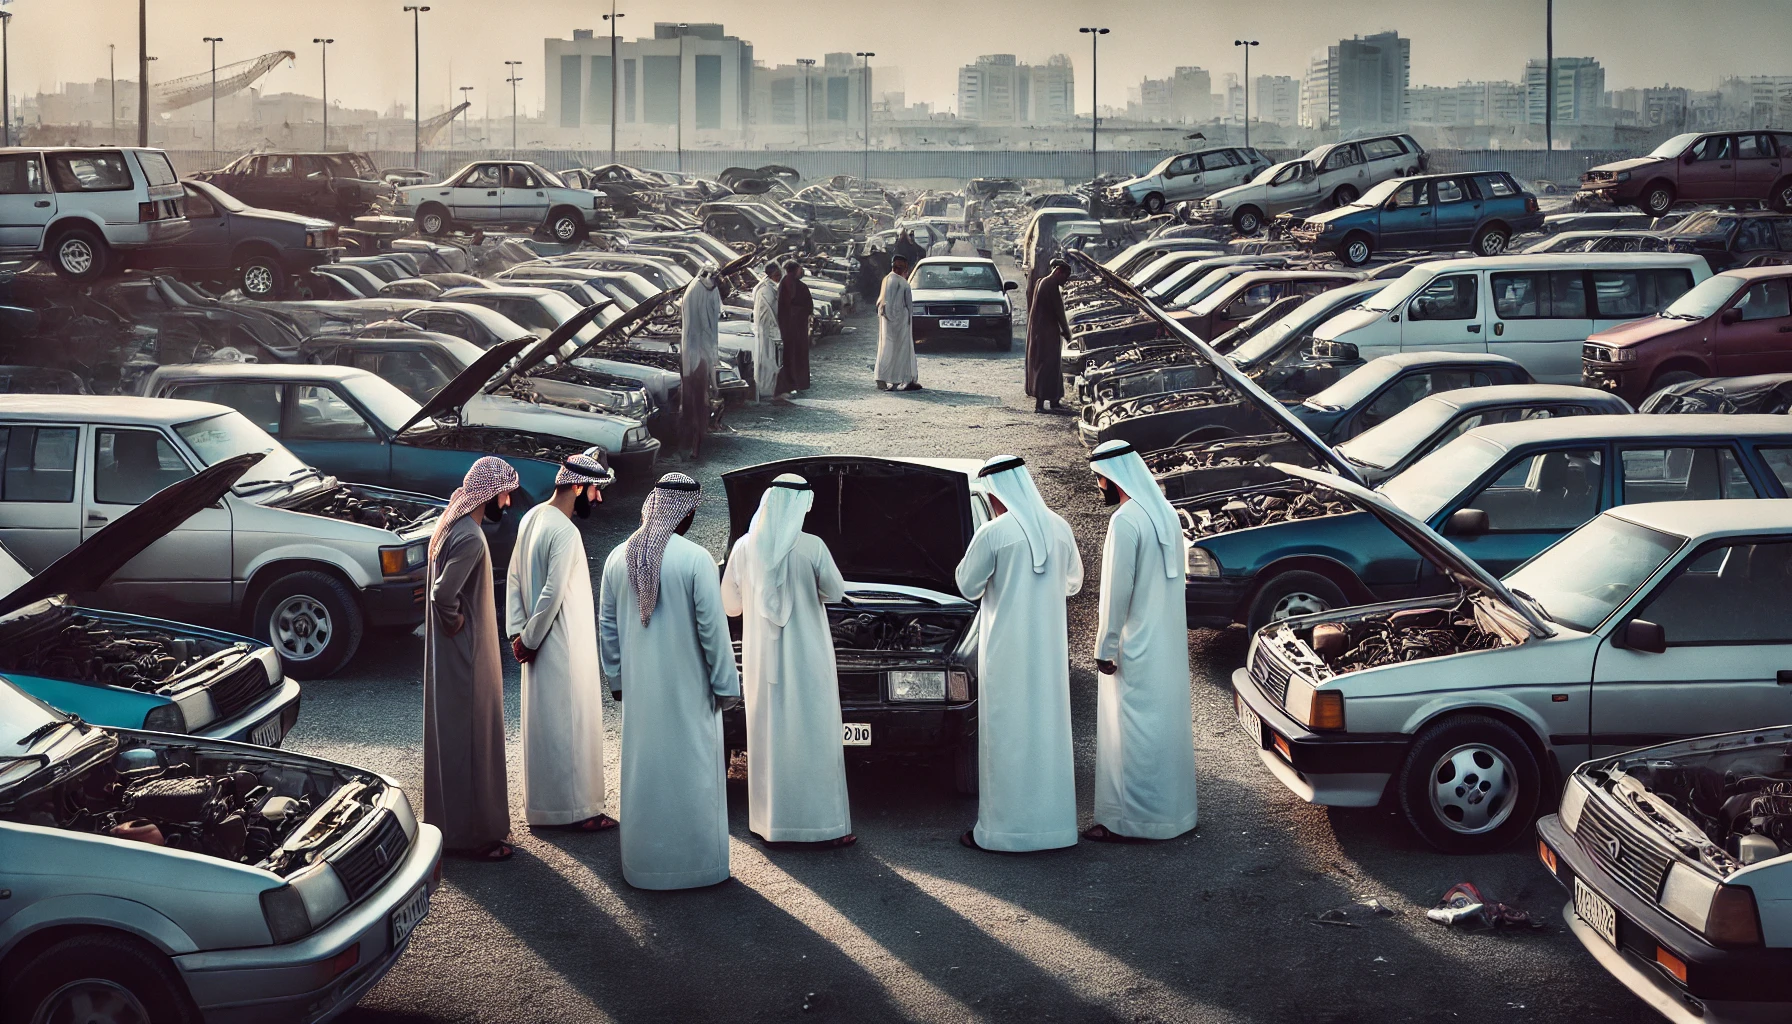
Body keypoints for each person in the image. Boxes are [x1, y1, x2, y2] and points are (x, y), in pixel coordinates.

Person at [598, 473, 741, 890]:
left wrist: (617, 679)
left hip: (640, 694)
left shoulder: (617, 556)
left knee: (647, 776)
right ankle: (699, 867)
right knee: (694, 774)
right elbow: (713, 631)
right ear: (685, 513)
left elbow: (607, 627)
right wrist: (726, 686)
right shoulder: (695, 559)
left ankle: (645, 866)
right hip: (690, 692)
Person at [954, 455, 1082, 852]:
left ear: (996, 492)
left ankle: (1001, 832)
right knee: (1047, 734)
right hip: (1048, 652)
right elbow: (1074, 583)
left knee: (1006, 737)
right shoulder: (1060, 526)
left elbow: (967, 586)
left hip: (1005, 651)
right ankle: (1055, 828)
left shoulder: (994, 532)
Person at [720, 474, 854, 847]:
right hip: (808, 659)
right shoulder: (812, 547)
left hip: (762, 661)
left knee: (768, 736)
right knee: (813, 736)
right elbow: (836, 591)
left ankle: (770, 825)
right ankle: (823, 828)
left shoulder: (744, 547)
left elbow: (730, 606)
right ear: (801, 504)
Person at [1085, 440, 1199, 842]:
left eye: (1099, 478)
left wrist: (1105, 646)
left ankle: (1128, 824)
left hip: (1134, 644)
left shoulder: (1125, 520)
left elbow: (1116, 592)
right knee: (1162, 730)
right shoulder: (1165, 512)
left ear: (1112, 476)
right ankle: (1173, 816)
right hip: (1167, 644)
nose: (1098, 485)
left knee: (1131, 733)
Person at [506, 452, 617, 834]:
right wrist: (531, 639)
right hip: (564, 643)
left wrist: (518, 633)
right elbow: (552, 593)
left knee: (545, 729)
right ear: (577, 487)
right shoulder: (566, 531)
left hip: (535, 640)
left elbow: (514, 578)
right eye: (595, 490)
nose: (598, 498)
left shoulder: (532, 517)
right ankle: (580, 812)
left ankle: (544, 809)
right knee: (571, 726)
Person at [423, 456, 519, 862]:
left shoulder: (453, 524)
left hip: (454, 653)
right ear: (488, 494)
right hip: (467, 653)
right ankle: (475, 837)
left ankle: (455, 830)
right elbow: (443, 594)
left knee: (456, 738)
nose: (507, 503)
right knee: (472, 739)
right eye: (504, 495)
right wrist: (458, 621)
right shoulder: (471, 537)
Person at [679, 267, 723, 460]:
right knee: (698, 401)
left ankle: (693, 443)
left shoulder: (697, 288)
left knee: (693, 401)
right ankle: (695, 443)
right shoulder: (702, 290)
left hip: (693, 352)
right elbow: (707, 327)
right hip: (698, 353)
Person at [1026, 260, 1072, 414]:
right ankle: (1040, 403)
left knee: (1053, 367)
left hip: (1043, 332)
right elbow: (1059, 311)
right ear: (1058, 272)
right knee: (1045, 367)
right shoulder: (1050, 285)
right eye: (1065, 277)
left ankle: (1054, 400)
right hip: (1045, 333)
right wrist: (1067, 331)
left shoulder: (1042, 282)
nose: (1065, 281)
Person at [876, 255, 920, 392]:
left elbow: (879, 303)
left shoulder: (886, 280)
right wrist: (908, 320)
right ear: (905, 269)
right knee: (901, 351)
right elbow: (909, 306)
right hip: (902, 323)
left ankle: (881, 378)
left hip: (886, 322)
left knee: (885, 348)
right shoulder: (904, 284)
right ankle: (898, 380)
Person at [776, 260, 813, 392]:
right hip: (796, 326)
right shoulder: (795, 285)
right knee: (797, 354)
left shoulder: (784, 284)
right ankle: (796, 381)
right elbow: (808, 306)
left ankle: (792, 382)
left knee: (791, 354)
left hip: (788, 326)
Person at [750, 263, 785, 402]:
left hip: (768, 329)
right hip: (765, 329)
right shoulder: (766, 290)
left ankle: (771, 388)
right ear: (770, 275)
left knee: (771, 358)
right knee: (766, 358)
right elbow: (776, 309)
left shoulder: (769, 287)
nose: (779, 277)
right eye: (776, 274)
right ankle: (766, 390)